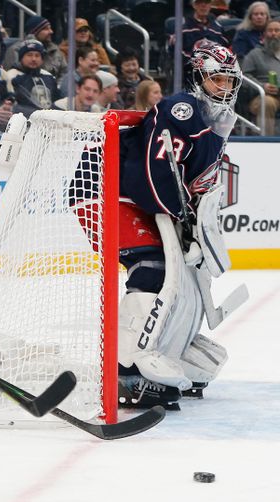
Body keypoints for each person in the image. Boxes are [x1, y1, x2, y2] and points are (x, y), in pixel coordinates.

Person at [113, 42, 241, 406]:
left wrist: (189, 225)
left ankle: (168, 347)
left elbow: (196, 184)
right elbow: (153, 172)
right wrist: (179, 217)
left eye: (229, 81)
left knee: (183, 274)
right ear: (199, 77)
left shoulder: (219, 121)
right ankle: (126, 369)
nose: (224, 88)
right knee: (152, 264)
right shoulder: (180, 110)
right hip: (108, 191)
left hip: (142, 199)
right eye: (216, 79)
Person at [242, 18, 280, 135]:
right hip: (261, 96)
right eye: (270, 30)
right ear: (264, 34)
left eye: (277, 30)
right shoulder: (255, 54)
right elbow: (244, 77)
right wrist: (262, 86)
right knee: (267, 103)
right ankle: (266, 140)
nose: (273, 33)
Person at [3, 15, 67, 81]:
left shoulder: (54, 49)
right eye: (46, 29)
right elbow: (11, 76)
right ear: (34, 32)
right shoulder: (15, 50)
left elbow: (65, 73)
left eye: (50, 28)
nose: (51, 31)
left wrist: (57, 86)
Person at [8, 39, 60, 118]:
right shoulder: (11, 76)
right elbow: (12, 105)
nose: (33, 59)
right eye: (29, 55)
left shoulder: (49, 77)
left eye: (37, 55)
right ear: (21, 58)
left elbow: (56, 101)